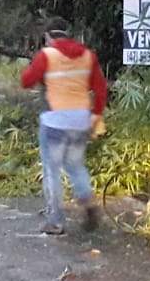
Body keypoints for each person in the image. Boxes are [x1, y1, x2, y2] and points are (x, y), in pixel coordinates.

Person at [20, 17, 108, 235]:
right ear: (67, 33)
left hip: (55, 123)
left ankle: (56, 222)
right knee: (75, 166)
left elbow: (26, 81)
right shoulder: (87, 55)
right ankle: (88, 202)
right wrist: (95, 116)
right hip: (81, 121)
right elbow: (100, 89)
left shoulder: (46, 55)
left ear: (48, 36)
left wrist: (39, 68)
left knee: (52, 171)